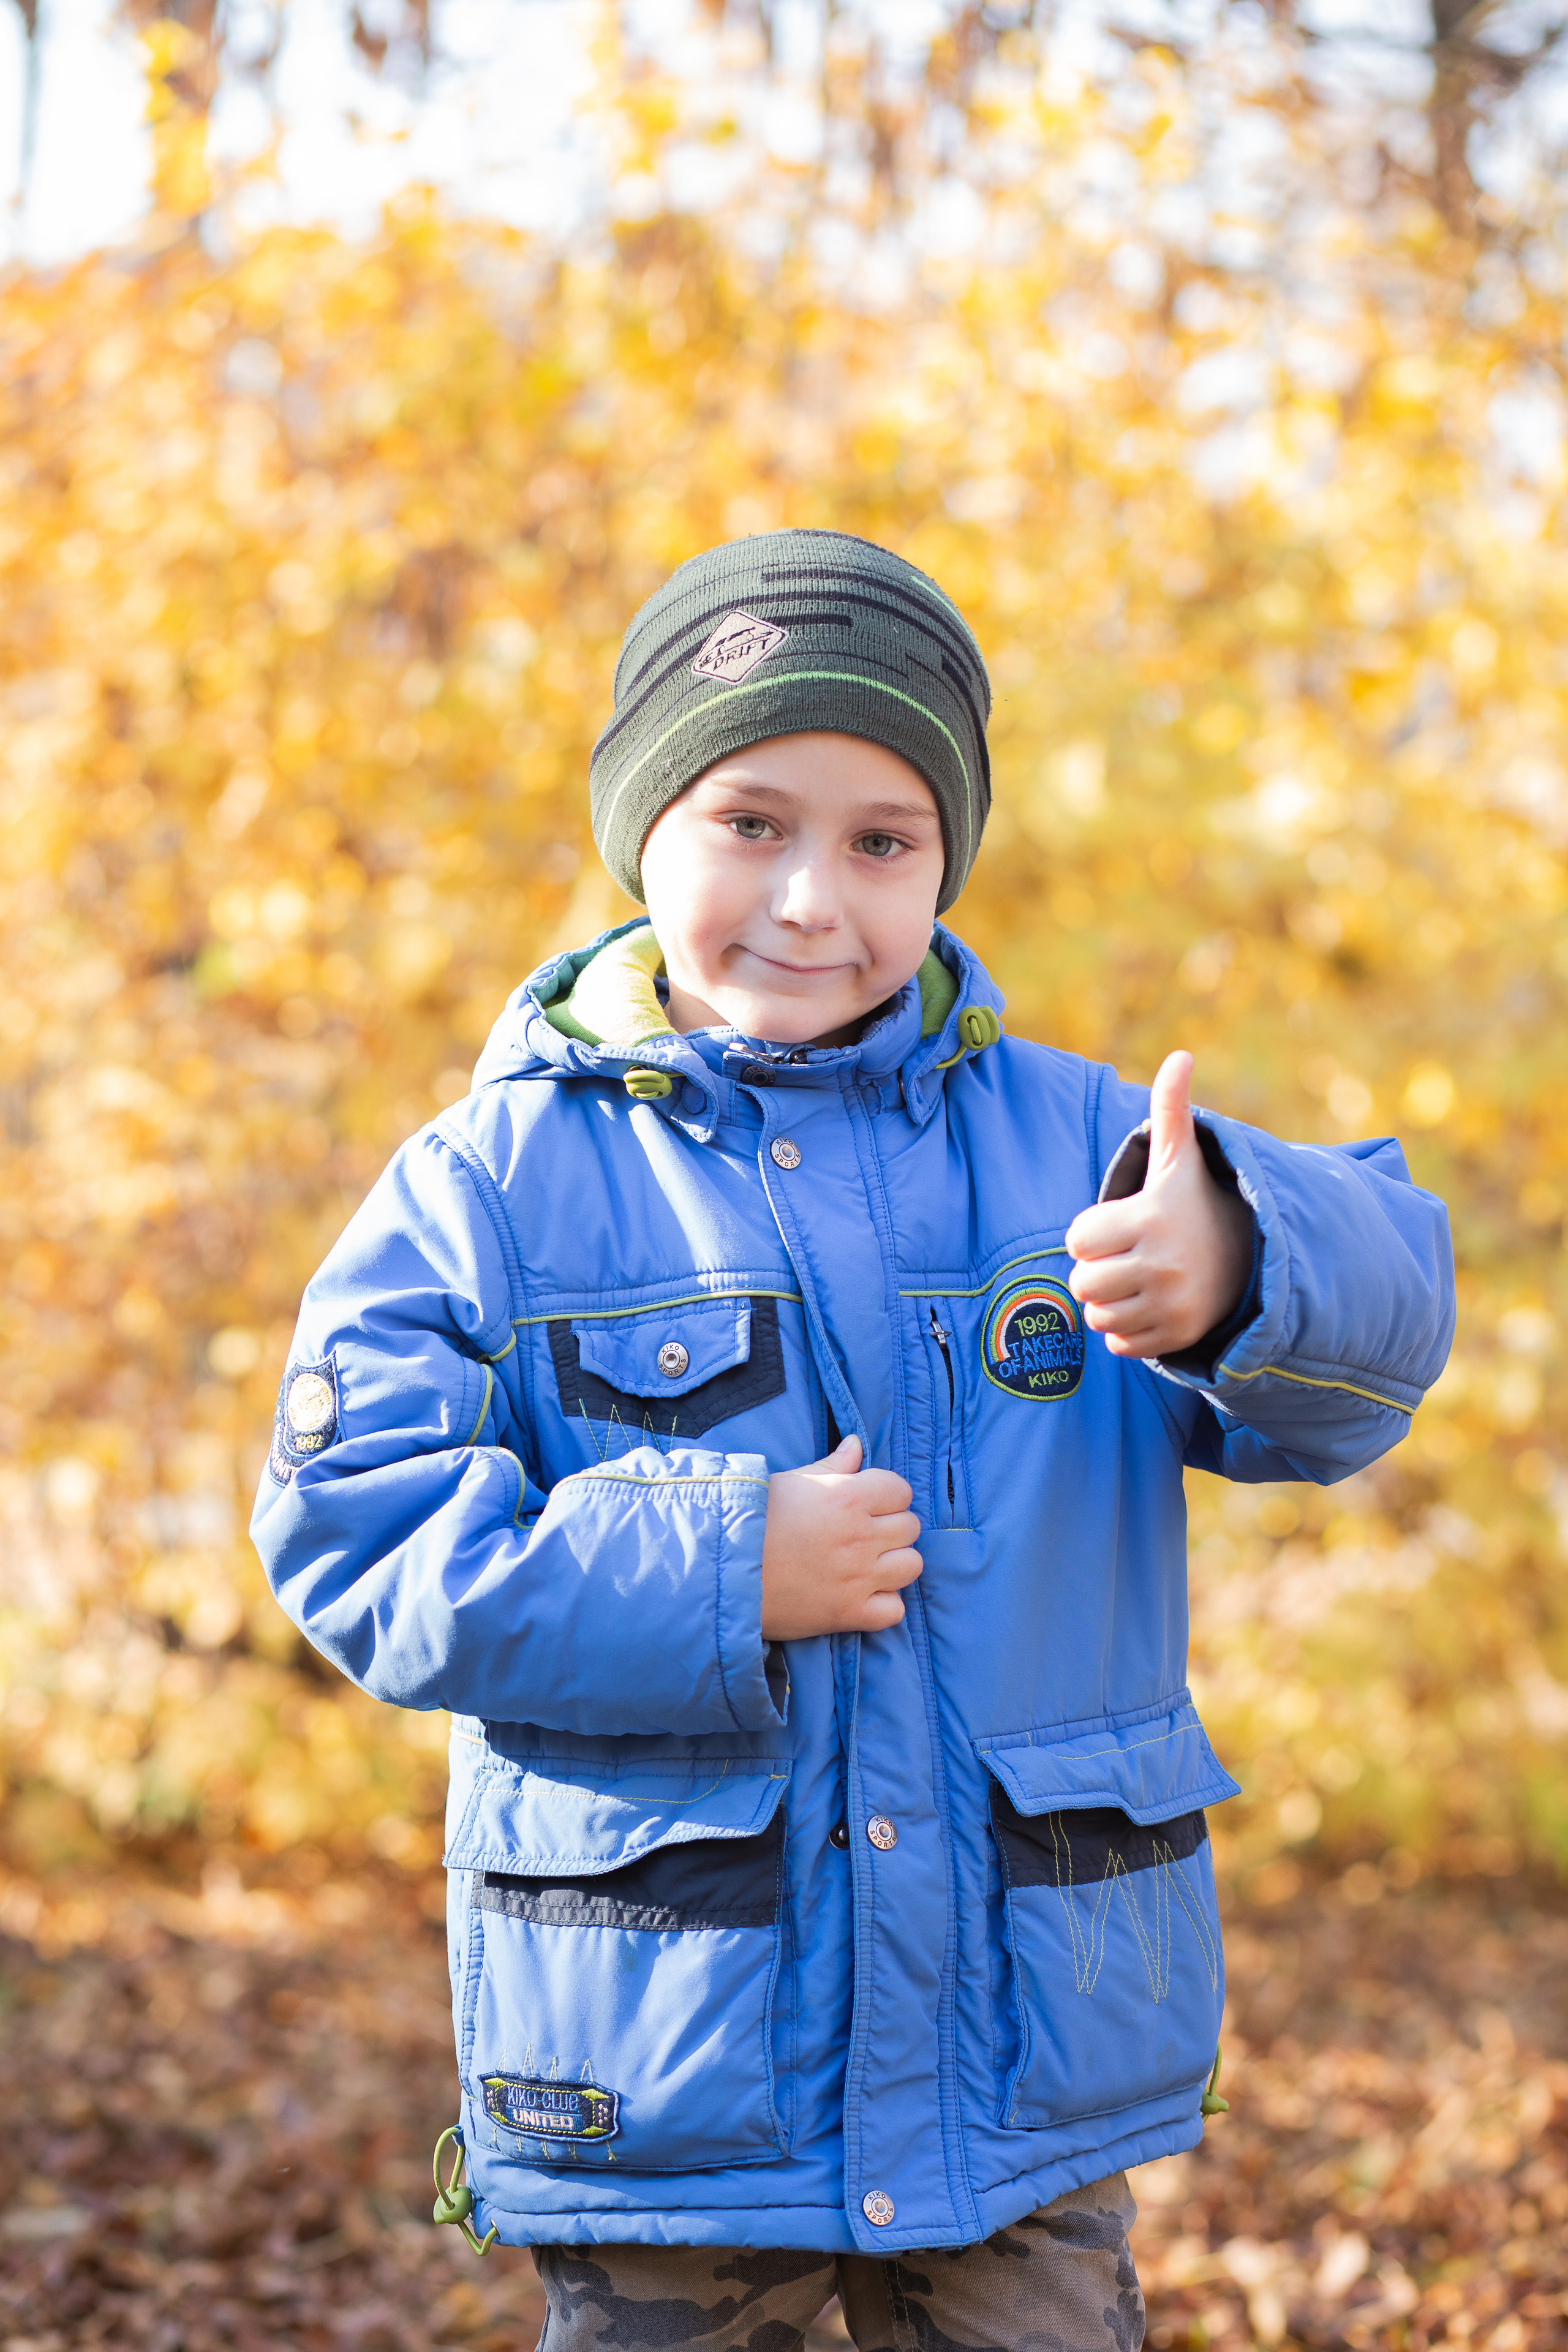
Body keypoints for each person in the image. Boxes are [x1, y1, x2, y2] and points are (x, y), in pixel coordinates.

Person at [252, 531, 1455, 2352]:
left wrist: (1238, 1258)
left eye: (885, 841)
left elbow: (1389, 1320)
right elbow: (357, 1530)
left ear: (945, 862)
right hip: (673, 2057)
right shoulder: (491, 1183)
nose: (813, 900)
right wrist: (719, 1566)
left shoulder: (1080, 1149)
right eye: (751, 823)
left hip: (1014, 2048)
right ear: (642, 828)